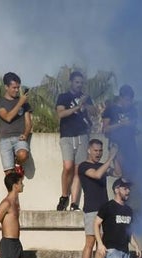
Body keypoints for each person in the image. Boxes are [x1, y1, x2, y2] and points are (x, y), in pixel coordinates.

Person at [77, 138, 118, 258]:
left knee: (101, 243)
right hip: (91, 210)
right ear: (89, 150)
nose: (98, 153)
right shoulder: (84, 166)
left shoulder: (102, 165)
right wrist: (110, 157)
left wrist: (116, 155)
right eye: (96, 150)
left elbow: (118, 172)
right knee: (90, 242)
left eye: (100, 150)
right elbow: (96, 175)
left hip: (104, 210)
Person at [55, 70, 94, 212]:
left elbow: (94, 112)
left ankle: (74, 203)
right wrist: (77, 107)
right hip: (67, 135)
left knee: (78, 170)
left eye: (81, 83)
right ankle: (64, 196)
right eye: (77, 82)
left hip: (82, 136)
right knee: (67, 166)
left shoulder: (86, 97)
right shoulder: (63, 97)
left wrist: (87, 107)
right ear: (71, 82)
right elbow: (61, 113)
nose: (79, 85)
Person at [0, 72, 32, 175]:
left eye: (18, 88)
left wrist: (25, 134)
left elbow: (29, 123)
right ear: (6, 87)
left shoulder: (25, 104)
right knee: (9, 174)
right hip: (4, 139)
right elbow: (8, 117)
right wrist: (20, 102)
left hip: (19, 137)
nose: (16, 90)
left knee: (23, 155)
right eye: (14, 87)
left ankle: (18, 164)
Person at [101, 85, 139, 181]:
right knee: (121, 173)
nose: (129, 103)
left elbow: (136, 124)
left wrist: (130, 124)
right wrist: (120, 124)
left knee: (131, 173)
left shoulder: (133, 110)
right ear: (121, 98)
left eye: (130, 100)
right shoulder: (110, 109)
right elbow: (105, 129)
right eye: (126, 100)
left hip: (130, 145)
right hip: (116, 144)